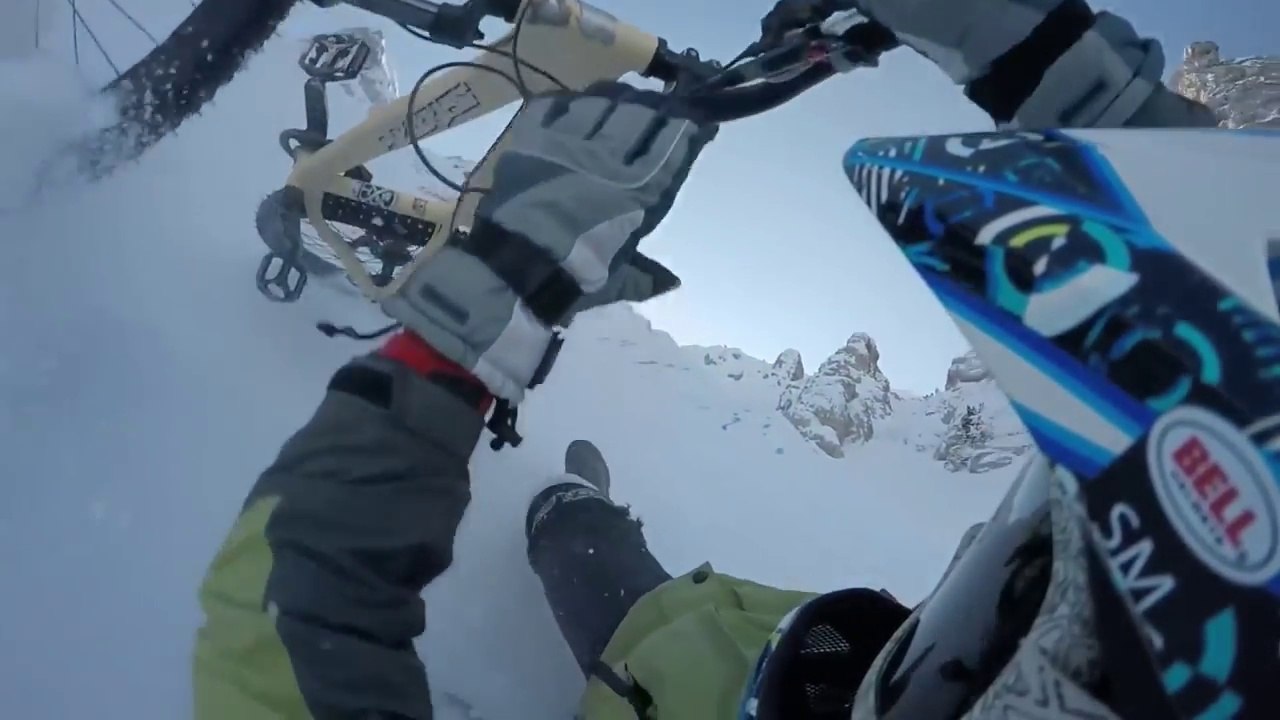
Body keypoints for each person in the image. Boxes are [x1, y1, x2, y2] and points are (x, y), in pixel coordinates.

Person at [193, 0, 1218, 718]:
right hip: (804, 641)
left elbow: (288, 620)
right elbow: (1225, 309)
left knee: (618, 583)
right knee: (660, 596)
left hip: (698, 681)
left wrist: (457, 338)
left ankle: (566, 513)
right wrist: (1045, 52)